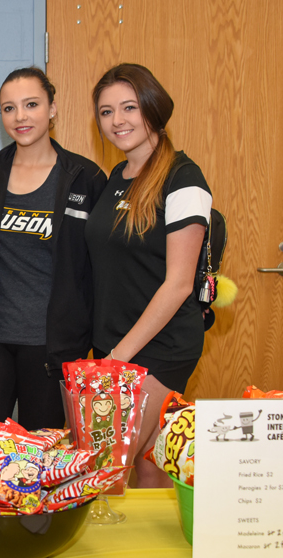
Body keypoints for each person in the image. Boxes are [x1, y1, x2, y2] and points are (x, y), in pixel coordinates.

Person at [0, 67, 107, 445]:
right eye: (9, 108)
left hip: (54, 348)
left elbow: (105, 263)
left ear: (53, 108)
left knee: (44, 462)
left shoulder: (84, 179)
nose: (20, 117)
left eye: (31, 105)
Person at [85, 63, 212, 488]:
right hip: (115, 344)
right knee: (148, 463)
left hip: (159, 347)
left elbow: (178, 283)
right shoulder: (116, 179)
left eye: (129, 107)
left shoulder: (183, 179)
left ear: (152, 109)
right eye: (106, 112)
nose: (117, 121)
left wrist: (117, 358)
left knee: (107, 471)